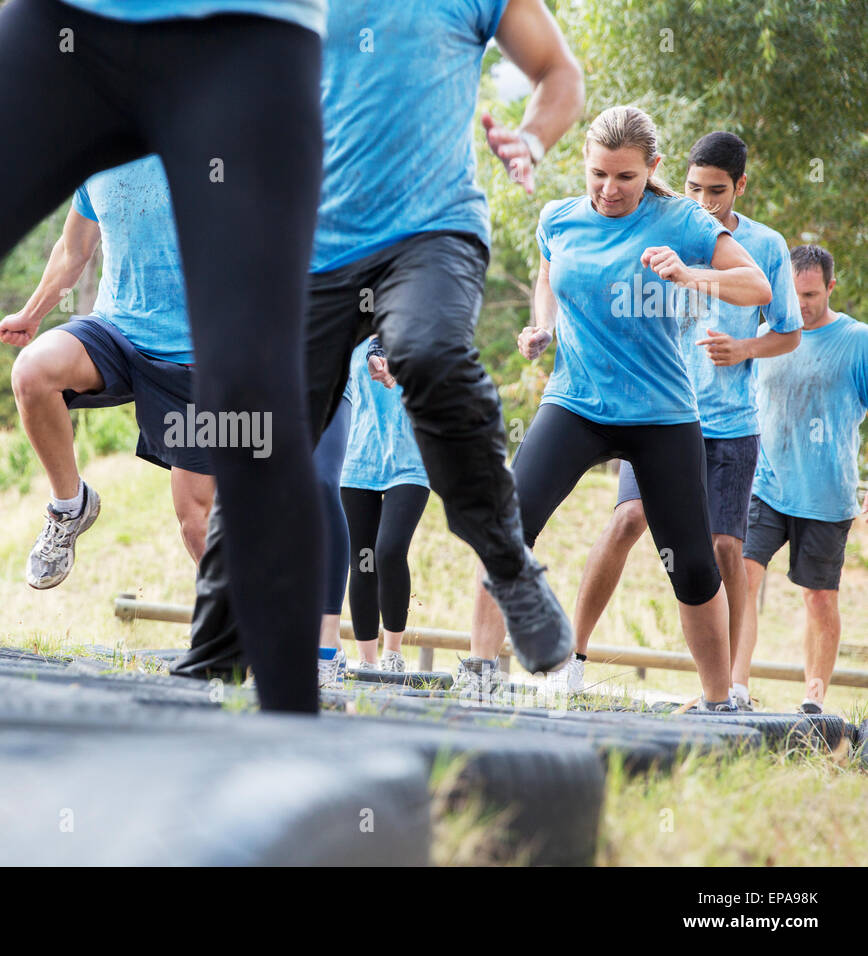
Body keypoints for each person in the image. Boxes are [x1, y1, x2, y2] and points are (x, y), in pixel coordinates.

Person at [0, 0, 330, 712]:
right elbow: (72, 249)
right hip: (67, 25)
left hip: (243, 34)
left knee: (251, 399)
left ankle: (288, 707)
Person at [171, 0, 587, 686]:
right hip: (311, 245)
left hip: (431, 232)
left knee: (429, 353)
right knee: (261, 433)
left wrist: (533, 139)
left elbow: (557, 72)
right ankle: (216, 653)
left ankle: (510, 566)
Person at [462, 106, 772, 711]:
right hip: (576, 402)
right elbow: (551, 273)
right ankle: (479, 673)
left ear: (652, 168)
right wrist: (543, 327)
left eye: (625, 177)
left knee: (690, 563)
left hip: (661, 414)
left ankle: (718, 703)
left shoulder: (683, 220)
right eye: (598, 174)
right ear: (584, 162)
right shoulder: (559, 218)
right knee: (506, 525)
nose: (608, 190)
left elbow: (756, 286)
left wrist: (691, 272)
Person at [556, 131, 801, 704]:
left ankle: (732, 684)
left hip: (731, 423)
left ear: (740, 187)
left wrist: (744, 351)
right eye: (693, 188)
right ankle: (573, 657)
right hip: (658, 416)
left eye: (716, 191)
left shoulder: (764, 246)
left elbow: (788, 332)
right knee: (625, 522)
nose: (703, 202)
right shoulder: (662, 223)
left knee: (721, 551)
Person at [0, 155, 214, 589]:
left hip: (197, 355)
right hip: (117, 330)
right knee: (32, 372)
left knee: (197, 524)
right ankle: (70, 505)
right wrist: (32, 314)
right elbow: (74, 250)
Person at [737, 245, 868, 715]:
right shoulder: (763, 337)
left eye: (811, 294)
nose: (802, 304)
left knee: (819, 598)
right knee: (742, 575)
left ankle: (814, 696)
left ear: (831, 288)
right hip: (764, 483)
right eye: (793, 295)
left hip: (826, 493)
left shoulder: (857, 341)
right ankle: (735, 687)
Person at [341, 337, 430, 673]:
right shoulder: (352, 332)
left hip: (410, 461)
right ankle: (366, 660)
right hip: (357, 461)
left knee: (389, 551)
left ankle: (393, 653)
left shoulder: (419, 323)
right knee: (362, 560)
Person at [314, 398, 353, 684]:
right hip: (272, 373)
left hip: (331, 376)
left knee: (324, 483)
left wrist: (375, 350)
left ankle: (326, 646)